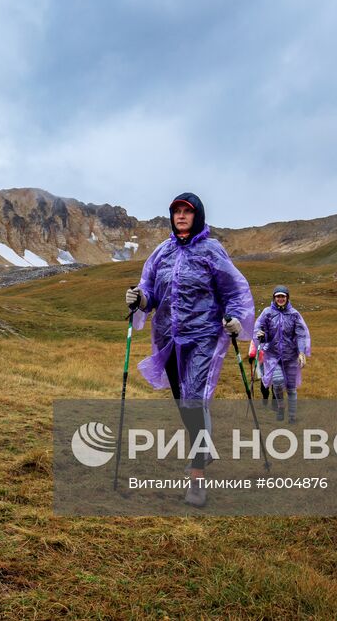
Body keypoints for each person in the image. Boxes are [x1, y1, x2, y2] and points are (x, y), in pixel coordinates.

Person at [124, 192, 254, 508]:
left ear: (198, 216)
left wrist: (236, 318)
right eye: (177, 211)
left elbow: (235, 289)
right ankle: (204, 447)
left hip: (203, 337)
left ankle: (197, 481)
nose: (181, 216)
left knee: (195, 400)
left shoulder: (212, 250)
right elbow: (151, 291)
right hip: (168, 336)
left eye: (187, 211)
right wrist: (140, 299)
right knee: (184, 403)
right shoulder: (161, 253)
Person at [254, 285, 311, 423]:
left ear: (287, 298)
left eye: (283, 296)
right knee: (278, 382)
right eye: (278, 296)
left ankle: (292, 417)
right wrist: (261, 335)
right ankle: (280, 407)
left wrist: (302, 352)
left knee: (291, 389)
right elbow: (260, 329)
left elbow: (300, 334)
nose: (280, 299)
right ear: (274, 298)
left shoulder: (294, 314)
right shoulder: (267, 313)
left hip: (290, 356)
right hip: (273, 356)